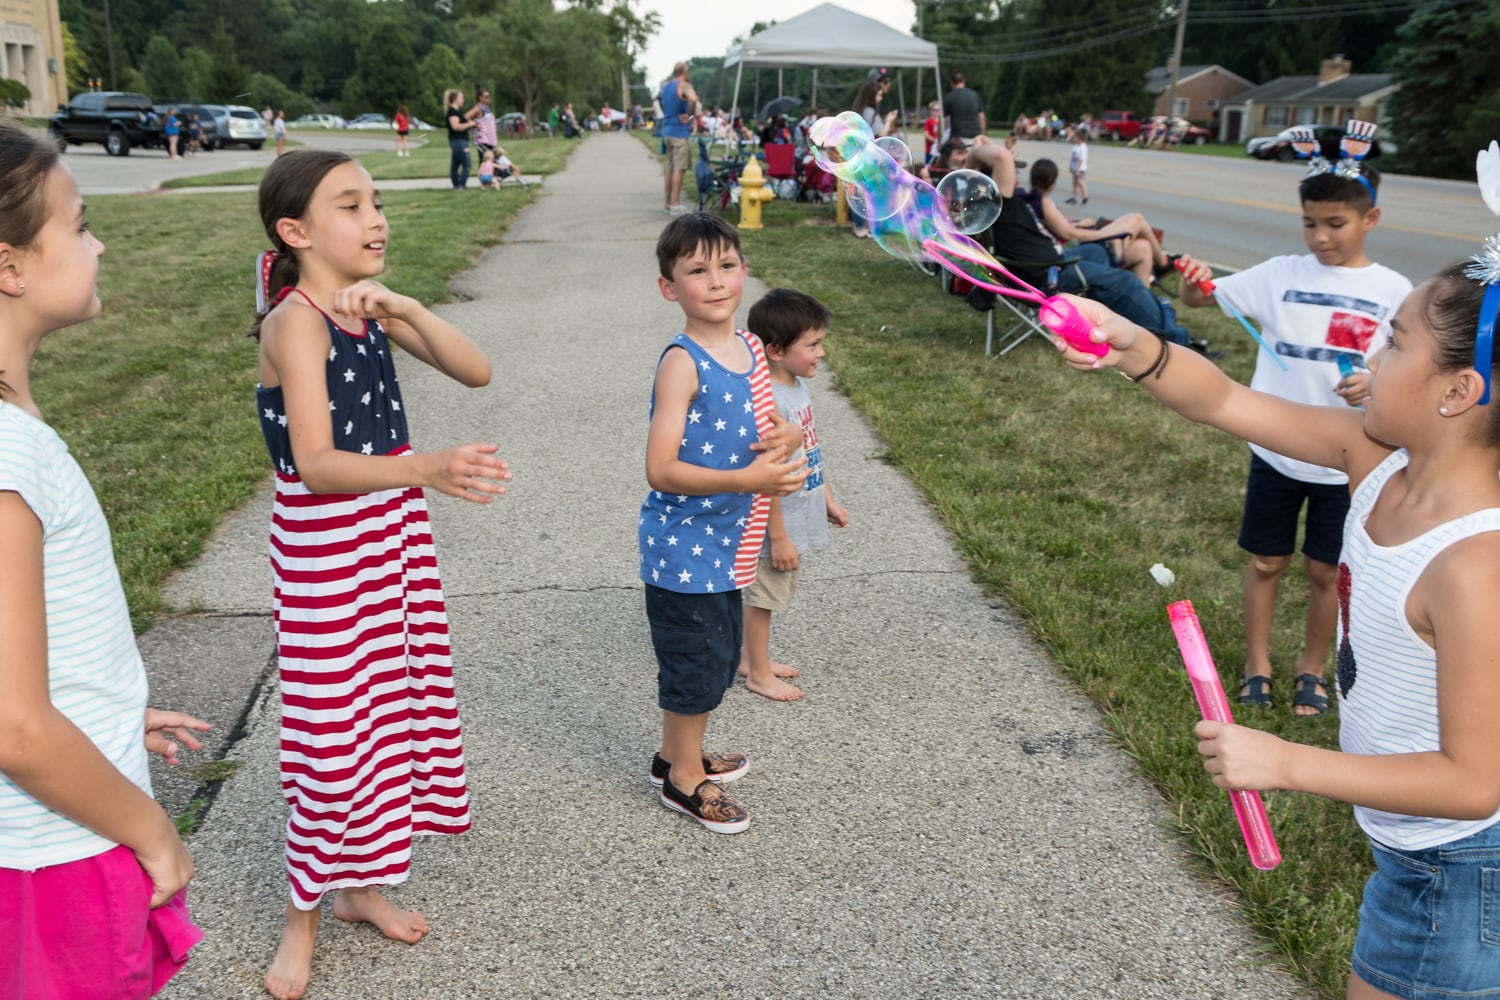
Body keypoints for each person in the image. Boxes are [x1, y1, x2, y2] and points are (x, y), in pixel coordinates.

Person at [1052, 207, 1500, 1000]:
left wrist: (1286, 761)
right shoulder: (1375, 461)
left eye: (1394, 340)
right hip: (1415, 850)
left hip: (1458, 871)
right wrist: (1132, 344)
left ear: (1459, 391)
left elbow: (1475, 782)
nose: (1372, 351)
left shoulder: (1475, 565)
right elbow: (1223, 401)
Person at [248, 148, 510, 999]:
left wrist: (405, 307)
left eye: (377, 201)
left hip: (387, 538)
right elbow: (318, 464)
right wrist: (426, 467)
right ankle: (301, 922)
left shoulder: (368, 311)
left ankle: (361, 886)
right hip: (328, 551)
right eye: (351, 205)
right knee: (331, 739)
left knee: (385, 717)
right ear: (296, 233)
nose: (376, 218)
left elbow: (476, 369)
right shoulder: (296, 321)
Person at [0, 118, 209, 1000]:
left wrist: (111, 711)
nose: (100, 240)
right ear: (8, 265)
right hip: (54, 860)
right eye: (79, 223)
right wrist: (152, 829)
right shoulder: (8, 458)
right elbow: (14, 723)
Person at [1175, 152, 1412, 718]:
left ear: (1370, 219)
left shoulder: (1394, 288)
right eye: (1310, 223)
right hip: (1276, 451)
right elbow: (1199, 299)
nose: (1320, 237)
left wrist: (1376, 376)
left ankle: (1313, 666)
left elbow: (1404, 356)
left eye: (1336, 224)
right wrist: (1194, 283)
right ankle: (1257, 663)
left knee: (1327, 571)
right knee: (1266, 562)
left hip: (1348, 459)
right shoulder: (1280, 273)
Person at [640, 213, 807, 833]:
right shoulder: (682, 363)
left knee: (710, 657)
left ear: (745, 270)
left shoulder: (750, 350)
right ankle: (685, 780)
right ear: (669, 288)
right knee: (697, 665)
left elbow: (769, 422)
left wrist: (785, 434)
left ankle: (672, 755)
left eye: (727, 266)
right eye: (697, 271)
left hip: (727, 541)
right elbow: (660, 469)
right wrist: (746, 481)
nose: (716, 282)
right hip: (686, 548)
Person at [965, 138, 1202, 349]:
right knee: (1126, 282)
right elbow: (1001, 157)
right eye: (1011, 170)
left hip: (1053, 263)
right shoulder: (996, 205)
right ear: (993, 179)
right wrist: (977, 146)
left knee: (1097, 252)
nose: (1015, 174)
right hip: (1048, 277)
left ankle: (1124, 318)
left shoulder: (993, 208)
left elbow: (1001, 157)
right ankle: (1178, 340)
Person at [738, 289, 850, 702]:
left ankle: (755, 660)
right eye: (813, 345)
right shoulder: (770, 403)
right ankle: (757, 672)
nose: (821, 352)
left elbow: (810, 452)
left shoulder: (795, 386)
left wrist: (826, 500)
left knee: (768, 597)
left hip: (799, 511)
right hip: (775, 523)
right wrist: (780, 538)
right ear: (776, 350)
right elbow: (768, 479)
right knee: (763, 599)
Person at [1026, 158, 1170, 287]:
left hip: (1075, 249)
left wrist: (1078, 224)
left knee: (1143, 248)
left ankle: (1144, 307)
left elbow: (1057, 229)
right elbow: (1069, 234)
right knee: (1137, 219)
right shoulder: (1044, 203)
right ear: (1052, 183)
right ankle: (1163, 263)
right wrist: (1102, 234)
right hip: (1088, 252)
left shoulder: (1029, 202)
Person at [848, 69, 897, 238]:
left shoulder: (859, 110)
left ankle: (862, 227)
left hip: (857, 157)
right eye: (878, 95)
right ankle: (863, 228)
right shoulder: (870, 111)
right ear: (871, 96)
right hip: (868, 160)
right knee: (871, 193)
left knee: (860, 193)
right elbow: (880, 135)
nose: (881, 97)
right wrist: (889, 121)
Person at [659, 62, 699, 214]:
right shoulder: (684, 85)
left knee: (669, 168)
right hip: (679, 132)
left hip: (667, 130)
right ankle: (675, 204)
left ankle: (667, 202)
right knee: (679, 168)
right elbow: (693, 99)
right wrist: (690, 116)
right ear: (685, 71)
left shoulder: (666, 87)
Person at [942, 70, 986, 142]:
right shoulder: (975, 95)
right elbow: (981, 116)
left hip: (957, 136)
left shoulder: (948, 98)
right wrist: (982, 135)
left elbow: (943, 121)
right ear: (964, 81)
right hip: (975, 135)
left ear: (952, 83)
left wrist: (941, 140)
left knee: (945, 152)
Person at [444, 89, 475, 190]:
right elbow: (455, 126)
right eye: (461, 98)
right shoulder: (452, 112)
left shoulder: (457, 112)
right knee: (467, 164)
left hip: (460, 140)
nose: (463, 100)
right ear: (455, 99)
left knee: (456, 164)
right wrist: (469, 124)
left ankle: (456, 185)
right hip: (458, 141)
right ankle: (461, 185)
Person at [467, 88, 497, 158]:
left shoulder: (486, 107)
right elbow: (466, 116)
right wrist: (475, 124)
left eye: (489, 96)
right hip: (483, 140)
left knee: (490, 161)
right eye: (486, 97)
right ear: (480, 98)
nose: (488, 98)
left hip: (490, 139)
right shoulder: (478, 108)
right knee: (484, 161)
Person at [1067, 127, 1088, 204]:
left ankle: (1085, 196)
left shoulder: (1083, 147)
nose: (1074, 139)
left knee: (1080, 182)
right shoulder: (1075, 146)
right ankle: (1074, 197)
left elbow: (1081, 159)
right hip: (1074, 166)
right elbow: (1072, 157)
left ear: (1080, 138)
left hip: (1080, 168)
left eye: (1076, 137)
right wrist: (1070, 166)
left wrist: (1078, 170)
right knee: (1074, 183)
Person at [922, 101, 941, 165]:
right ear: (931, 111)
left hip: (939, 150)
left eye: (938, 110)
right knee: (929, 166)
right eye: (935, 110)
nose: (937, 112)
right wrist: (935, 140)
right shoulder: (929, 121)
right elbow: (926, 134)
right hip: (930, 150)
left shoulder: (942, 121)